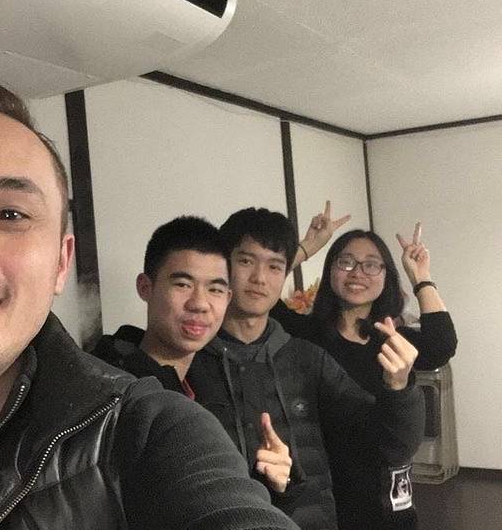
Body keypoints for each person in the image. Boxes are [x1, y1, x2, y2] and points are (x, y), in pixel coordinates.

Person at [0, 77, 300, 530]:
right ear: (146, 287)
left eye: (10, 214)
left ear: (61, 262)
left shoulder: (152, 428)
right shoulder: (125, 368)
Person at [187, 207, 426, 530]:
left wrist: (399, 389)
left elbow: (390, 443)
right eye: (245, 261)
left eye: (275, 266)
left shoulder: (308, 358)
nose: (260, 278)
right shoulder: (190, 359)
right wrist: (306, 246)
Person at [271, 225, 457, 529]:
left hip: (388, 498)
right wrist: (305, 248)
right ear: (330, 271)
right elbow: (266, 293)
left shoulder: (393, 341)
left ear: (386, 276)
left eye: (371, 265)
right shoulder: (305, 334)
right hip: (326, 496)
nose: (357, 272)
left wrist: (420, 276)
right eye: (346, 262)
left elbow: (442, 343)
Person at [92, 215, 293, 493]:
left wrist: (272, 482)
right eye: (183, 284)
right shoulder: (111, 388)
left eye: (215, 289)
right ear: (145, 287)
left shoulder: (214, 386)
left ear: (228, 299)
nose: (200, 304)